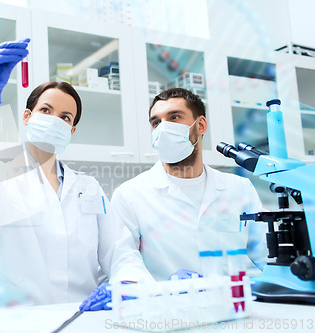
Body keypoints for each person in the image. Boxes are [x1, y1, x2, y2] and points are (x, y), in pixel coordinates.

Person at [0, 39, 154, 307]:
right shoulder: (2, 171)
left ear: (71, 131)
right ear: (27, 117)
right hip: (19, 322)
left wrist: (128, 285)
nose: (55, 120)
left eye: (65, 117)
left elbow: (118, 250)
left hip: (83, 317)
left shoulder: (88, 186)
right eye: (46, 110)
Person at [111, 88, 268, 281]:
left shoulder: (240, 188)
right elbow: (124, 260)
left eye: (174, 117)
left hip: (235, 304)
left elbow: (264, 255)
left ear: (200, 125)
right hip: (169, 305)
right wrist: (156, 288)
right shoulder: (130, 195)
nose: (163, 128)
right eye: (156, 122)